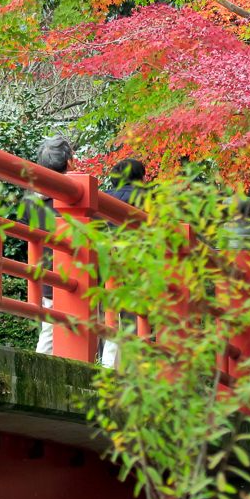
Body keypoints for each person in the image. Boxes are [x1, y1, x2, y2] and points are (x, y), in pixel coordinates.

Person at [19, 136, 74, 355]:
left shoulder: (31, 198)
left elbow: (23, 233)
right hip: (75, 270)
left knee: (50, 329)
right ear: (69, 161)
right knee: (57, 333)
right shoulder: (74, 194)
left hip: (45, 269)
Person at [97, 157, 147, 367]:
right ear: (142, 178)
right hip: (138, 271)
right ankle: (134, 372)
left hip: (103, 270)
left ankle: (107, 368)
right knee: (135, 320)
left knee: (107, 317)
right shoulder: (150, 199)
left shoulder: (101, 198)